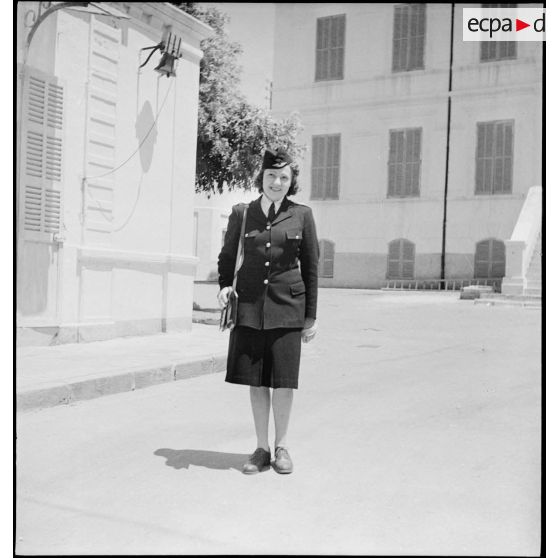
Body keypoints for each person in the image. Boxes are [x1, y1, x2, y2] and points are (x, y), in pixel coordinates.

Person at [217, 147, 319, 475]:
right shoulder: (242, 213)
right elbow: (227, 255)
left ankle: (282, 447)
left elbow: (311, 269)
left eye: (284, 177)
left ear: (292, 182)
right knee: (257, 381)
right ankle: (261, 448)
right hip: (249, 308)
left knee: (284, 382)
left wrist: (311, 317)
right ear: (261, 177)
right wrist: (223, 285)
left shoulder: (302, 215)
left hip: (289, 309)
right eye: (271, 176)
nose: (277, 181)